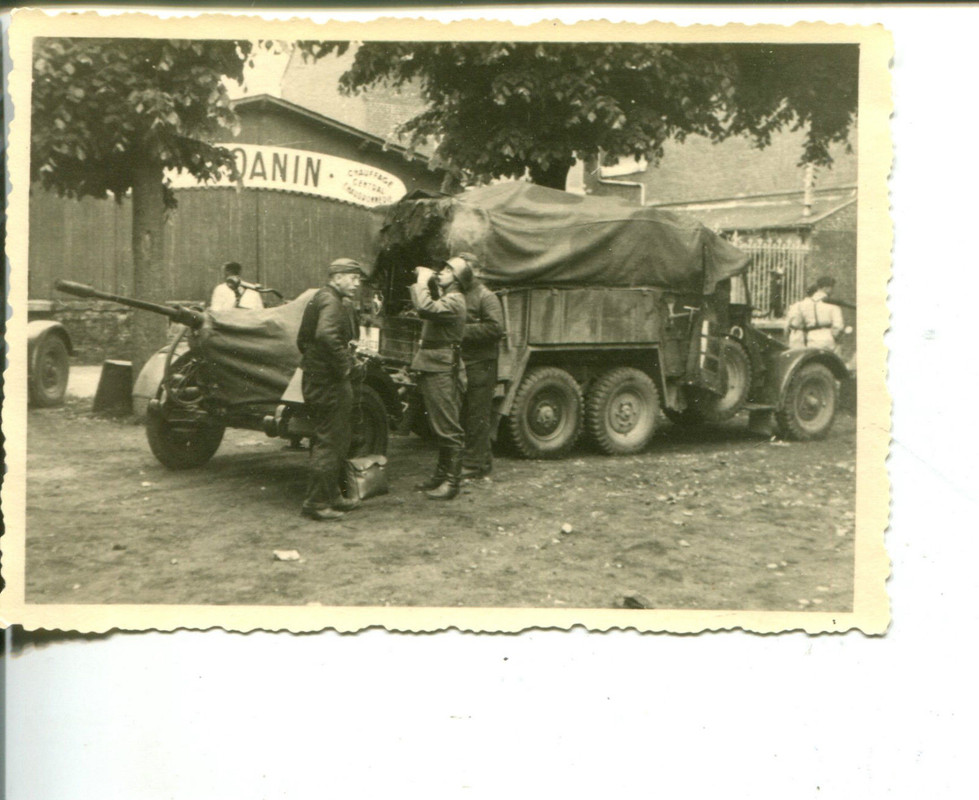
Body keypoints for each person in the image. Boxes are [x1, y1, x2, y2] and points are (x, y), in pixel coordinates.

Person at [295, 258, 367, 521]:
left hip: (318, 379)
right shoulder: (332, 302)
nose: (357, 284)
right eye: (353, 277)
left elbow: (303, 340)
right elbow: (326, 335)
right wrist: (345, 366)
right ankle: (316, 502)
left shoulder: (320, 298)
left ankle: (332, 495)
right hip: (329, 383)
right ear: (337, 277)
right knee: (330, 441)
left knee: (330, 438)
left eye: (358, 279)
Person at [410, 256, 471, 500]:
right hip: (436, 366)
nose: (441, 272)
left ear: (457, 279)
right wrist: (429, 283)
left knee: (448, 427)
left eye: (448, 270)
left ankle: (451, 483)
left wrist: (422, 282)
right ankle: (441, 476)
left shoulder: (455, 300)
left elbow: (425, 307)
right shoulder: (449, 298)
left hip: (442, 368)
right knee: (440, 425)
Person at [456, 252, 504, 480]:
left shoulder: (486, 296)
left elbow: (495, 328)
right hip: (466, 362)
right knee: (468, 413)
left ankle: (474, 464)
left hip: (482, 363)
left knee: (477, 414)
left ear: (474, 271)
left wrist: (461, 331)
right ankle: (482, 461)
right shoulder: (460, 294)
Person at [786, 276, 845, 353]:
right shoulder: (833, 304)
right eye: (832, 288)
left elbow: (797, 323)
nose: (832, 291)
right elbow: (838, 327)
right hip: (828, 339)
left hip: (811, 339)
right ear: (826, 288)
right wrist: (837, 340)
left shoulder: (803, 304)